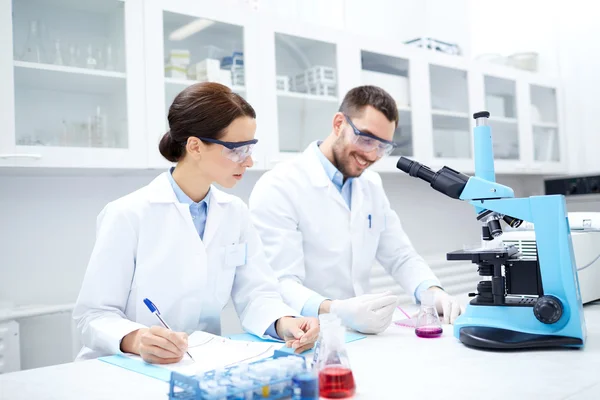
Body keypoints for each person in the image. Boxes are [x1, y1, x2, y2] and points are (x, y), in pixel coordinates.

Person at [73, 82, 318, 364]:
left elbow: (256, 293)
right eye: (237, 150)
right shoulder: (127, 214)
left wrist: (284, 322)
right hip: (129, 367)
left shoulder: (235, 212)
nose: (248, 161)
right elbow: (93, 315)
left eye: (249, 148)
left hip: (202, 363)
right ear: (195, 146)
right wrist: (137, 340)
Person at [248, 85, 463, 335]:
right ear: (339, 123)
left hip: (358, 333)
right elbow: (281, 282)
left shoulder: (371, 185)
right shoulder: (279, 185)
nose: (371, 154)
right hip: (303, 333)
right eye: (366, 138)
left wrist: (432, 292)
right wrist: (336, 310)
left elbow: (400, 256)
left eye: (383, 146)